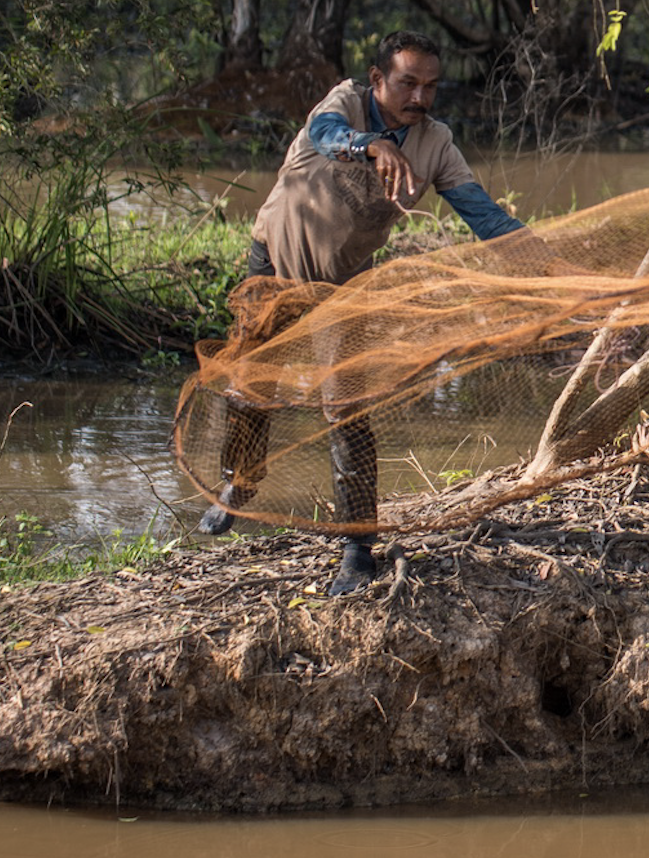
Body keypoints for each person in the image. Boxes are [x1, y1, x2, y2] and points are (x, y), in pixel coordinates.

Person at [197, 30, 527, 595]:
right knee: (249, 383)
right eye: (407, 83)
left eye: (430, 86)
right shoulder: (344, 103)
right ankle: (240, 485)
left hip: (343, 284)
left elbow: (482, 214)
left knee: (344, 408)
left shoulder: (436, 144)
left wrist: (537, 249)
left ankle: (356, 546)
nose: (419, 98)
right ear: (378, 80)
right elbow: (325, 136)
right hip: (272, 259)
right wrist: (371, 144)